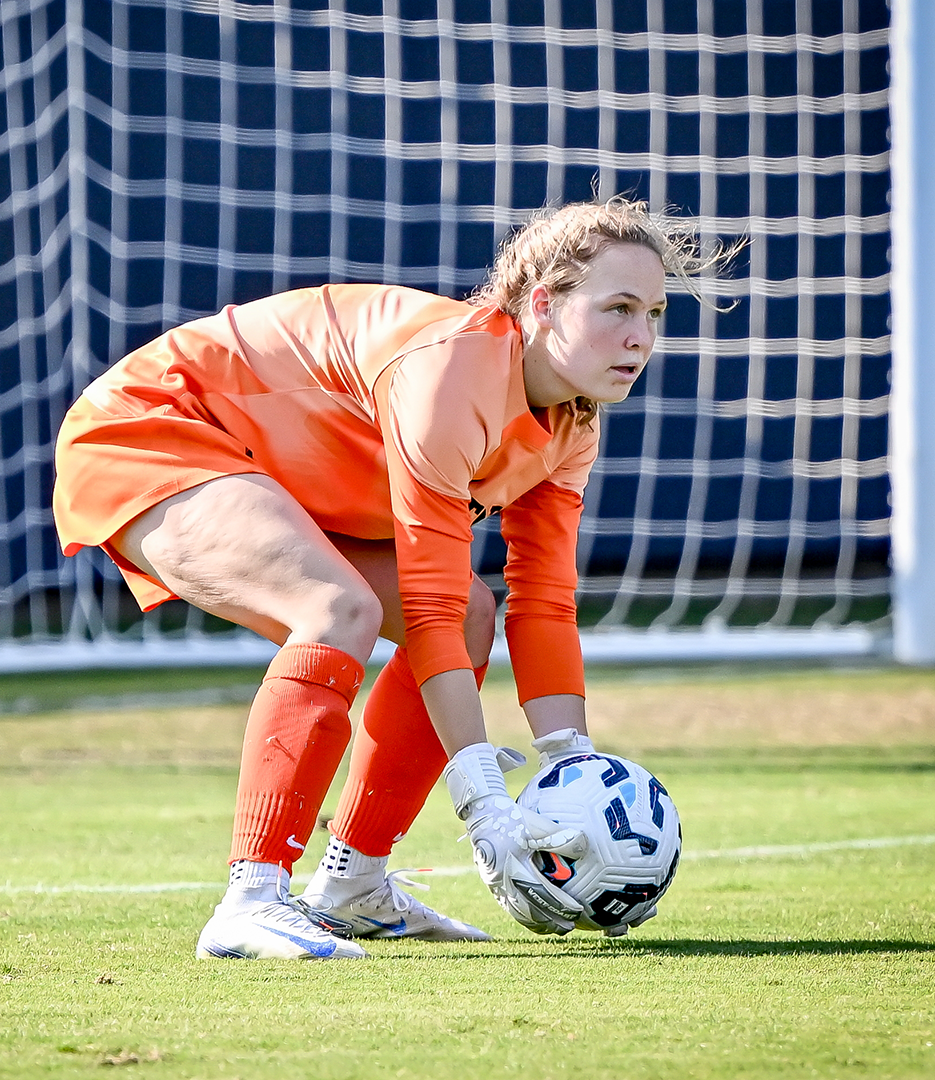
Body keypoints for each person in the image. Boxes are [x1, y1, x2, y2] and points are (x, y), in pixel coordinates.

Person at [52, 198, 722, 959]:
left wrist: (572, 759)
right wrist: (484, 801)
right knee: (336, 608)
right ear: (542, 305)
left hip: (268, 465)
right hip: (150, 428)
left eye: (655, 313)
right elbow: (426, 601)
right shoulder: (453, 373)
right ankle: (251, 899)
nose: (642, 337)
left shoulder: (572, 422)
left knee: (472, 615)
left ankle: (352, 885)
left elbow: (542, 599)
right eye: (619, 308)